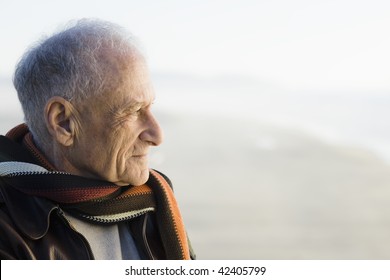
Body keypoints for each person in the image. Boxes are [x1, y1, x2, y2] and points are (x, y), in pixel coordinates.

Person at [0, 19, 195, 260]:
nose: (157, 135)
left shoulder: (154, 199)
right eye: (133, 111)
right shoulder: (7, 227)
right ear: (64, 123)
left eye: (149, 107)